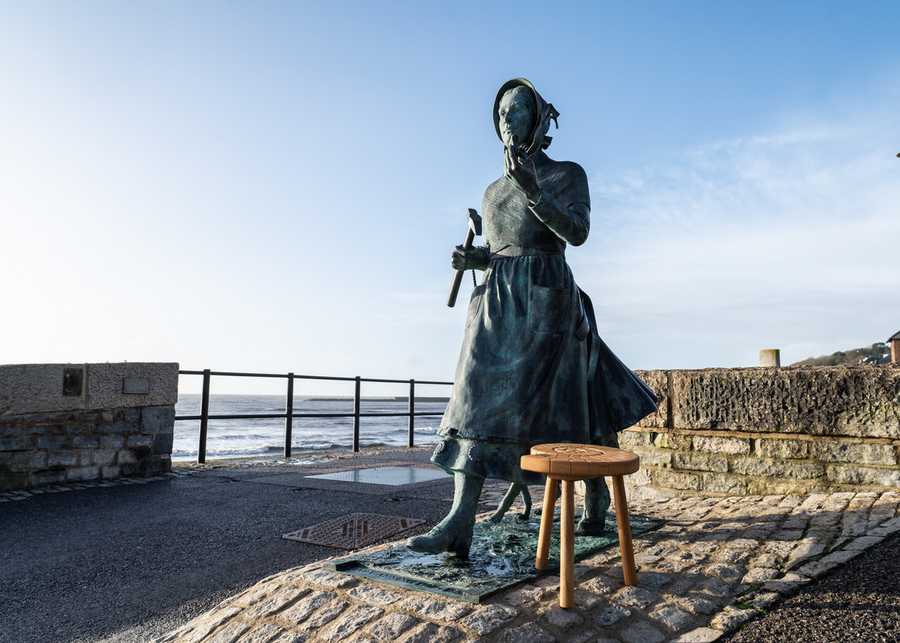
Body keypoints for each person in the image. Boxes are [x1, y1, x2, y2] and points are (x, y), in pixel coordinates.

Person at [407, 78, 657, 557]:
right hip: (496, 303)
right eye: (501, 112)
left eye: (517, 111)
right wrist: (474, 259)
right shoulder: (491, 191)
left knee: (564, 404)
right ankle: (460, 520)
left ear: (539, 119)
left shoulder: (567, 174)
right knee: (472, 400)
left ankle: (596, 493)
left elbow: (577, 234)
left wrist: (536, 191)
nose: (507, 120)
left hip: (547, 297)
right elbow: (504, 250)